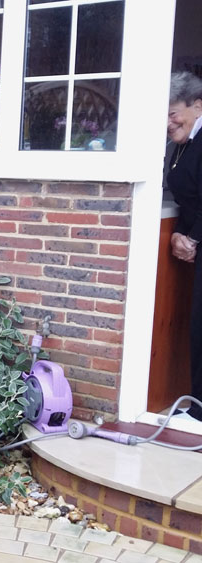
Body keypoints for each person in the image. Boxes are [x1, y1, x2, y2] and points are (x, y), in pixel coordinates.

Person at [167, 71, 202, 420]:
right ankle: (197, 410)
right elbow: (186, 198)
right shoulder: (181, 145)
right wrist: (180, 232)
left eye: (173, 112)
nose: (168, 121)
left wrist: (191, 237)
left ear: (197, 106)